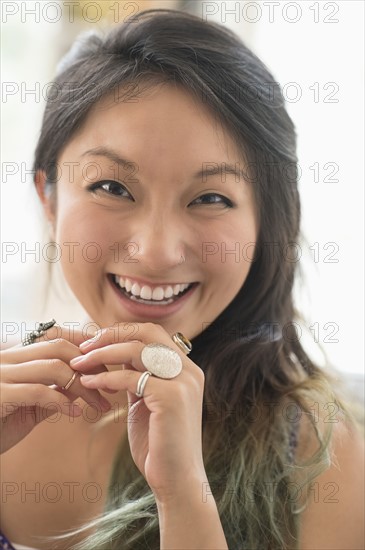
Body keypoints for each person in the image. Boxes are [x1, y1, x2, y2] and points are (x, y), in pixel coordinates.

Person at [0, 9, 363, 550]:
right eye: (112, 188)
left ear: (266, 223)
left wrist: (185, 499)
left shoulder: (326, 456)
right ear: (48, 199)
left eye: (211, 198)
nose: (156, 252)